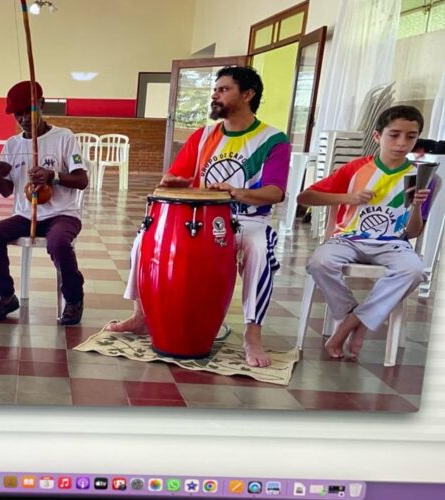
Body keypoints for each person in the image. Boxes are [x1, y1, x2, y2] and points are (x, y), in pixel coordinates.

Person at [107, 66, 291, 367]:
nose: (215, 95)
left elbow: (275, 192)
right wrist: (172, 182)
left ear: (247, 95)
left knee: (259, 250)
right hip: (202, 219)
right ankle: (141, 317)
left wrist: (236, 193)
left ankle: (252, 335)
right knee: (143, 241)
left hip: (248, 220)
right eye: (215, 89)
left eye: (224, 89)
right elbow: (173, 176)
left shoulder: (273, 140)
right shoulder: (204, 136)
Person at [299, 105, 431, 360]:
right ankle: (353, 316)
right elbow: (305, 197)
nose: (402, 143)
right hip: (348, 239)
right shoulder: (356, 168)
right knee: (319, 262)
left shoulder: (421, 176)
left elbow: (413, 232)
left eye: (411, 137)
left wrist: (415, 206)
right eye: (394, 135)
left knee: (413, 270)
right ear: (377, 136)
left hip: (393, 243)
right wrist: (349, 197)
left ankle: (351, 325)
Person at [0, 81, 88, 325]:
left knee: (59, 241)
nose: (24, 119)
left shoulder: (64, 137)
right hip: (26, 216)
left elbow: (82, 180)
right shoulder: (13, 145)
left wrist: (55, 176)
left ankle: (73, 298)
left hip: (62, 214)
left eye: (28, 111)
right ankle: (5, 296)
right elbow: (7, 191)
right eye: (18, 114)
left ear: (41, 104)